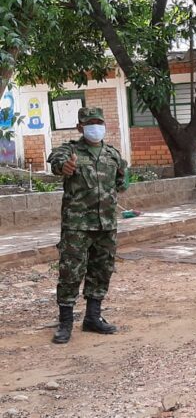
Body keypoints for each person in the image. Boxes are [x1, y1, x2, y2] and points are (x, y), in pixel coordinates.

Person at [47, 107, 129, 344]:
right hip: (77, 226)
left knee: (101, 271)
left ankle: (93, 317)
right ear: (80, 127)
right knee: (70, 273)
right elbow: (56, 160)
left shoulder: (112, 154)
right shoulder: (70, 150)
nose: (95, 126)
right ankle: (65, 323)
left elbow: (121, 182)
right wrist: (63, 166)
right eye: (89, 123)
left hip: (106, 225)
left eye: (98, 122)